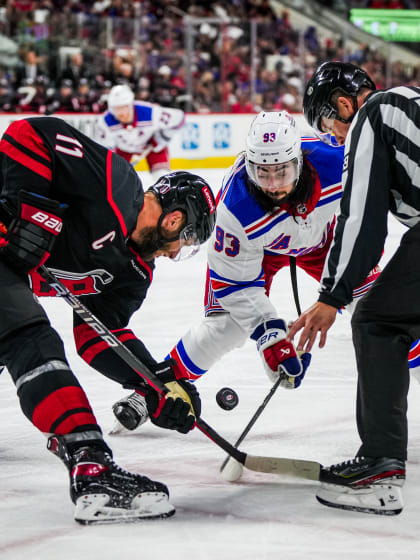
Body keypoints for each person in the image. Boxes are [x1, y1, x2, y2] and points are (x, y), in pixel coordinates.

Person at [0, 116, 216, 524]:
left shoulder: (134, 274)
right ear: (175, 220)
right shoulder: (115, 183)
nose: (174, 254)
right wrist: (21, 207)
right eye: (184, 241)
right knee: (31, 337)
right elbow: (28, 133)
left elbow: (99, 335)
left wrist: (154, 382)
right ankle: (92, 466)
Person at [110, 110, 381, 434]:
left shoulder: (337, 163)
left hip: (322, 243)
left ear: (300, 160)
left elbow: (376, 203)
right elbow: (236, 287)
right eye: (261, 173)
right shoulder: (235, 208)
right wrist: (271, 339)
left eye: (282, 172)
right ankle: (150, 391)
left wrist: (338, 292)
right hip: (259, 252)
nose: (273, 186)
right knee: (225, 326)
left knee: (383, 310)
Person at [287, 61, 420, 515]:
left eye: (328, 124)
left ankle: (380, 468)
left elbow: (361, 219)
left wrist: (332, 296)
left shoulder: (373, 114)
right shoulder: (410, 104)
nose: (334, 138)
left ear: (344, 104)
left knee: (379, 322)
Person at [93, 84, 185, 182]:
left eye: (123, 107)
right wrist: (115, 165)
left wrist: (161, 138)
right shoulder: (105, 121)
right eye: (116, 109)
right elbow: (104, 149)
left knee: (162, 179)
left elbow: (179, 118)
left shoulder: (150, 112)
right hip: (124, 149)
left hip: (151, 147)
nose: (120, 113)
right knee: (114, 181)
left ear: (130, 104)